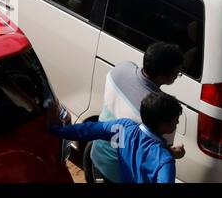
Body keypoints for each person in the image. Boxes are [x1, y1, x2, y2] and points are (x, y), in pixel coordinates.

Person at [89, 42, 184, 182]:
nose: (177, 75)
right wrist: (175, 154)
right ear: (164, 75)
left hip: (96, 157)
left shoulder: (120, 69)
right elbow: (156, 154)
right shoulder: (160, 113)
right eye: (177, 72)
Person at [52, 92, 183, 183]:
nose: (177, 123)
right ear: (165, 124)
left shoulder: (124, 127)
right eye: (176, 120)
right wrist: (170, 155)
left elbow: (87, 130)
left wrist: (56, 130)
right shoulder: (165, 161)